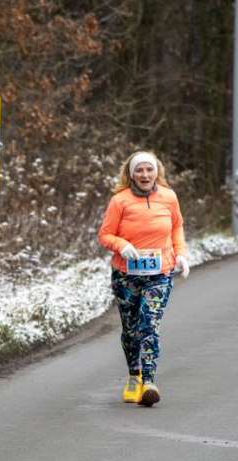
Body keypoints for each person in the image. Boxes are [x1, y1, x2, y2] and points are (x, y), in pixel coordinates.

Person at [98, 151, 189, 407]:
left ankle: (149, 382)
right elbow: (104, 235)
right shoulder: (119, 201)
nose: (145, 175)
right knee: (130, 329)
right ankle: (134, 375)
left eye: (149, 170)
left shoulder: (169, 197)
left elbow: (177, 226)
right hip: (126, 275)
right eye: (139, 170)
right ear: (131, 174)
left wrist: (181, 254)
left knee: (149, 325)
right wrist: (121, 244)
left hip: (160, 272)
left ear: (156, 172)